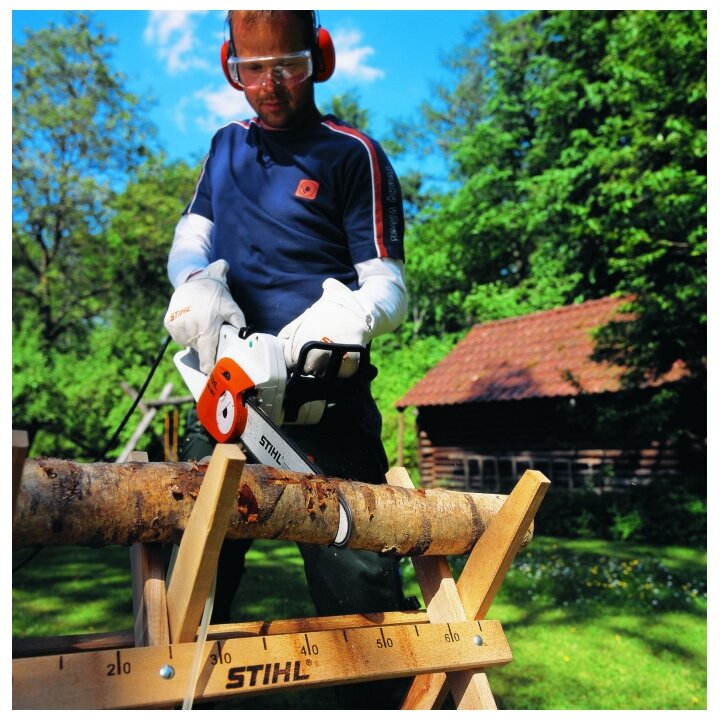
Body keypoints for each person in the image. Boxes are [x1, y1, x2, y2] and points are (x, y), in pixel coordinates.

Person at [163, 10, 411, 708]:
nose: (270, 85)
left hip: (325, 403)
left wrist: (347, 317)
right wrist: (194, 284)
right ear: (231, 67)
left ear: (318, 59)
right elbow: (191, 236)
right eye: (252, 70)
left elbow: (388, 284)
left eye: (287, 68)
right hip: (226, 395)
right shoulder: (226, 146)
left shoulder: (351, 154)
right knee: (190, 584)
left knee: (361, 589)